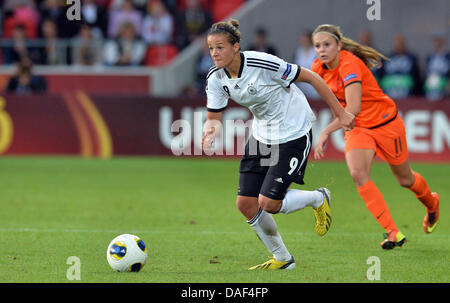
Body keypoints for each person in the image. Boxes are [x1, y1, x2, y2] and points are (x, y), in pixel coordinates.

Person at [202, 19, 355, 270]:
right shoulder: (216, 78)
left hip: (294, 131)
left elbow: (312, 77)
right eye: (211, 48)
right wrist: (210, 131)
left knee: (269, 204)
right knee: (246, 203)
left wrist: (340, 113)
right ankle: (283, 259)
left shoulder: (262, 63)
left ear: (236, 47)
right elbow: (214, 117)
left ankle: (318, 198)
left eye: (220, 47)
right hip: (263, 134)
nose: (215, 53)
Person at [311, 24, 440, 250]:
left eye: (327, 44)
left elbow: (353, 107)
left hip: (386, 124)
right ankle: (392, 232)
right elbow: (338, 108)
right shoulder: (318, 68)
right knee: (358, 174)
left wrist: (325, 132)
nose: (322, 50)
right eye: (317, 46)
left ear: (339, 45)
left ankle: (432, 203)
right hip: (358, 128)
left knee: (405, 180)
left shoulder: (349, 63)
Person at [379, 33, 422, 99]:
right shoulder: (386, 59)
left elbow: (417, 78)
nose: (399, 46)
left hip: (408, 96)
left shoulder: (412, 58)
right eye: (397, 43)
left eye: (401, 43)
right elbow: (382, 76)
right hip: (390, 95)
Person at [424, 31, 450, 101]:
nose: (438, 43)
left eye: (439, 41)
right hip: (432, 89)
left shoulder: (448, 57)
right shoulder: (430, 57)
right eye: (436, 41)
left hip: (444, 90)